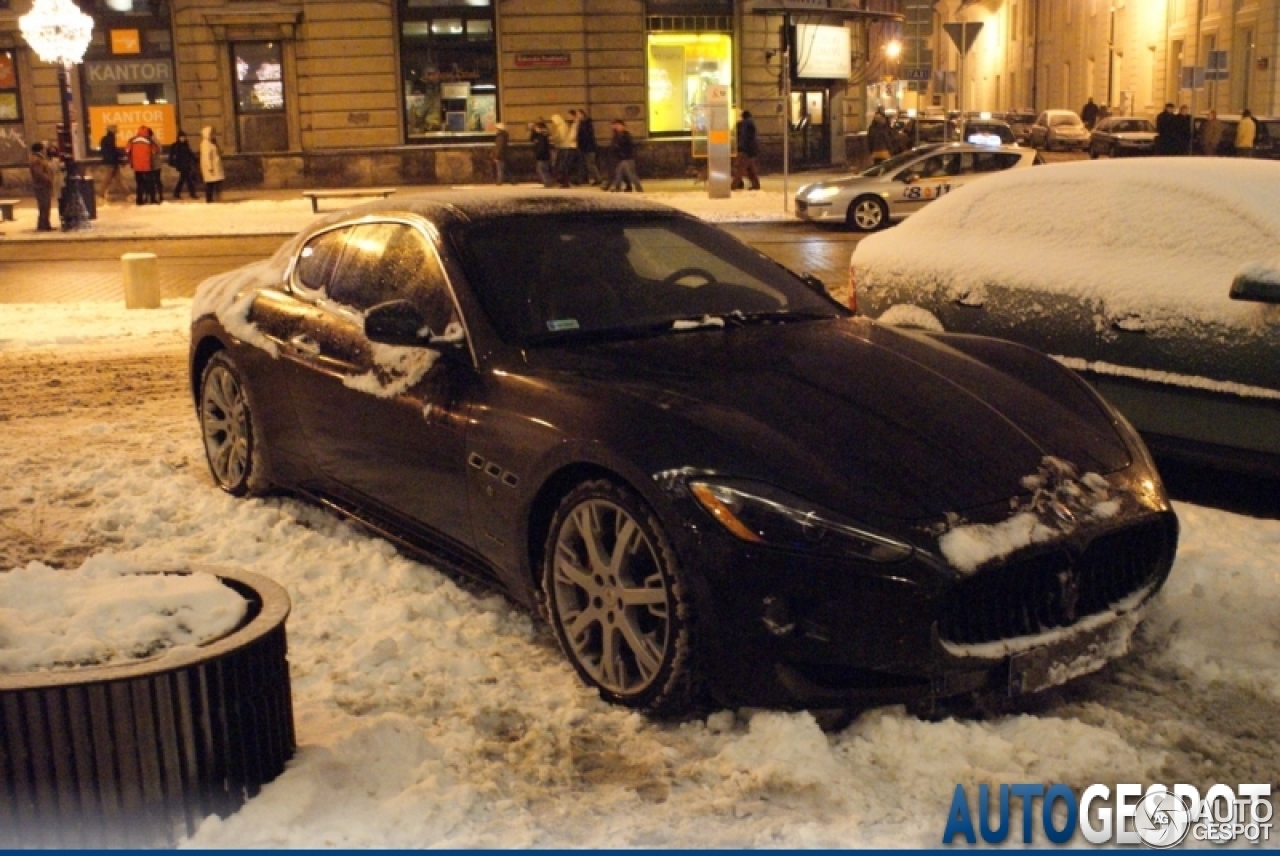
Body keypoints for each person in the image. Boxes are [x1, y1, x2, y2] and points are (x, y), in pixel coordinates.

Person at [604, 119, 642, 192]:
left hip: (627, 158)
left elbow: (628, 146)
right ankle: (618, 188)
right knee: (619, 174)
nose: (617, 127)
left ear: (623, 126)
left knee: (631, 175)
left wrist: (619, 150)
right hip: (621, 158)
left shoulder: (626, 135)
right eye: (616, 126)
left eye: (619, 126)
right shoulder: (617, 135)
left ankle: (638, 188)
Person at [126, 125, 158, 205]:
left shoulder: (132, 140)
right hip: (147, 165)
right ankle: (152, 199)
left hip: (137, 166)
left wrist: (131, 161)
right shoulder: (149, 141)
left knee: (139, 183)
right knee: (151, 183)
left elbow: (127, 150)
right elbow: (155, 151)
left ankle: (139, 200)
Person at [29, 142, 55, 232]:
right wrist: (48, 180)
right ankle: (43, 225)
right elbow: (39, 173)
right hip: (41, 186)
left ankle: (45, 224)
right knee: (44, 205)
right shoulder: (37, 159)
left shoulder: (38, 158)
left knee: (45, 205)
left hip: (41, 185)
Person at [732, 109, 760, 191]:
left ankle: (734, 185)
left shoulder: (745, 124)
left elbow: (744, 138)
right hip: (752, 150)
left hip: (745, 150)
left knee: (740, 169)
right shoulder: (751, 123)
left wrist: (741, 147)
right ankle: (756, 185)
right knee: (751, 169)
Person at [98, 125, 128, 203]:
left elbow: (107, 151)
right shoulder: (110, 139)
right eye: (115, 130)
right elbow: (113, 152)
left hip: (110, 162)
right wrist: (120, 157)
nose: (116, 131)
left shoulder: (105, 139)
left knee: (118, 179)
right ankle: (100, 195)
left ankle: (127, 194)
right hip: (112, 162)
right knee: (108, 179)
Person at [168, 130, 200, 199]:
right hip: (181, 165)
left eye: (184, 137)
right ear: (178, 138)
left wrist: (195, 159)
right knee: (187, 179)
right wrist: (173, 163)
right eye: (181, 137)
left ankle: (177, 193)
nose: (183, 138)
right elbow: (171, 156)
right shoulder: (176, 146)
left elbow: (190, 153)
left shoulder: (186, 145)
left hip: (186, 165)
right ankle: (192, 193)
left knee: (183, 179)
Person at [550, 113, 579, 187]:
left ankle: (564, 181)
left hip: (563, 147)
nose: (553, 123)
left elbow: (561, 137)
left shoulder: (561, 126)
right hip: (564, 147)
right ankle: (563, 181)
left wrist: (553, 139)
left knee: (562, 165)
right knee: (562, 165)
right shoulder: (562, 125)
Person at [573, 109, 601, 185]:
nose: (577, 116)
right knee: (585, 164)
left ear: (582, 114)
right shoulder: (583, 123)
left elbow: (585, 136)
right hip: (585, 147)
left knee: (590, 164)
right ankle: (588, 179)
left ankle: (597, 178)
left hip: (588, 147)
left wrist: (581, 145)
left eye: (578, 114)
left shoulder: (585, 124)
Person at [200, 126, 225, 202]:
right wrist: (209, 167)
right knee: (210, 184)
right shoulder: (205, 144)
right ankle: (210, 199)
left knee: (216, 183)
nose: (214, 135)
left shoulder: (212, 142)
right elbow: (206, 156)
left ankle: (216, 198)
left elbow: (218, 152)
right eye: (212, 134)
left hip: (216, 166)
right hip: (212, 167)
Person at [529, 120, 553, 187]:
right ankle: (548, 182)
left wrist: (538, 154)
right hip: (545, 155)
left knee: (541, 169)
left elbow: (541, 147)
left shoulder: (541, 136)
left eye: (536, 127)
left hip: (542, 155)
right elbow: (532, 138)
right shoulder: (542, 135)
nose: (536, 129)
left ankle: (547, 183)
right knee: (545, 169)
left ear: (540, 128)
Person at [146, 127, 164, 203]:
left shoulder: (151, 141)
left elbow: (159, 150)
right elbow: (160, 149)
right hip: (156, 164)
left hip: (151, 164)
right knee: (157, 180)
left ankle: (155, 196)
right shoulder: (155, 140)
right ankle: (160, 195)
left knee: (153, 181)